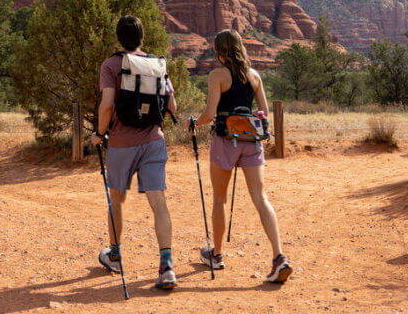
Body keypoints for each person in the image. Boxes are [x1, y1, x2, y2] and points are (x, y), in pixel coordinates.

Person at [192, 28, 292, 283]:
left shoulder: (217, 75)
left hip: (225, 141)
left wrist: (195, 123)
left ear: (220, 50)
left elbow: (210, 113)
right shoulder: (255, 75)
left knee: (219, 198)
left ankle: (216, 254)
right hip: (251, 142)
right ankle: (279, 256)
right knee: (261, 197)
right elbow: (264, 111)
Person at [91, 15, 178, 290]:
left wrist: (100, 133)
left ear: (119, 37)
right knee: (158, 202)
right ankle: (166, 266)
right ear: (142, 37)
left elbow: (106, 105)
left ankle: (115, 255)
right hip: (154, 140)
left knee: (116, 199)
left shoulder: (111, 64)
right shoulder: (157, 64)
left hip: (120, 143)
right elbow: (172, 105)